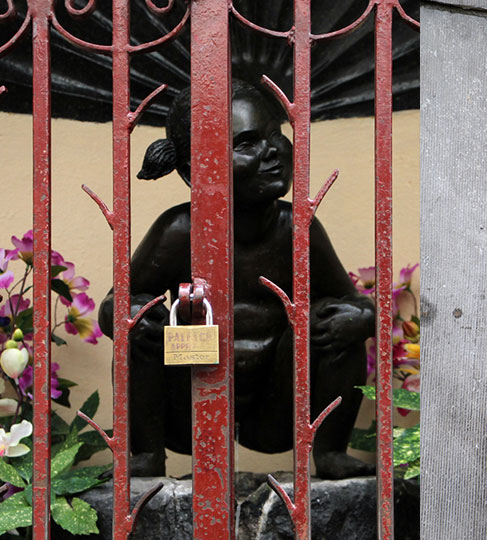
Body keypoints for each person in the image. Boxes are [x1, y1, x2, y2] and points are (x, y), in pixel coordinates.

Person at [99, 80, 375, 479]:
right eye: (247, 144)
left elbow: (355, 304)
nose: (273, 151)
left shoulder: (298, 228)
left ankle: (330, 452)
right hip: (194, 407)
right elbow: (114, 308)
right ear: (196, 168)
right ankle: (144, 453)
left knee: (333, 319)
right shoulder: (179, 230)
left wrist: (357, 318)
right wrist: (138, 313)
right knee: (137, 327)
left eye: (276, 135)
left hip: (278, 406)